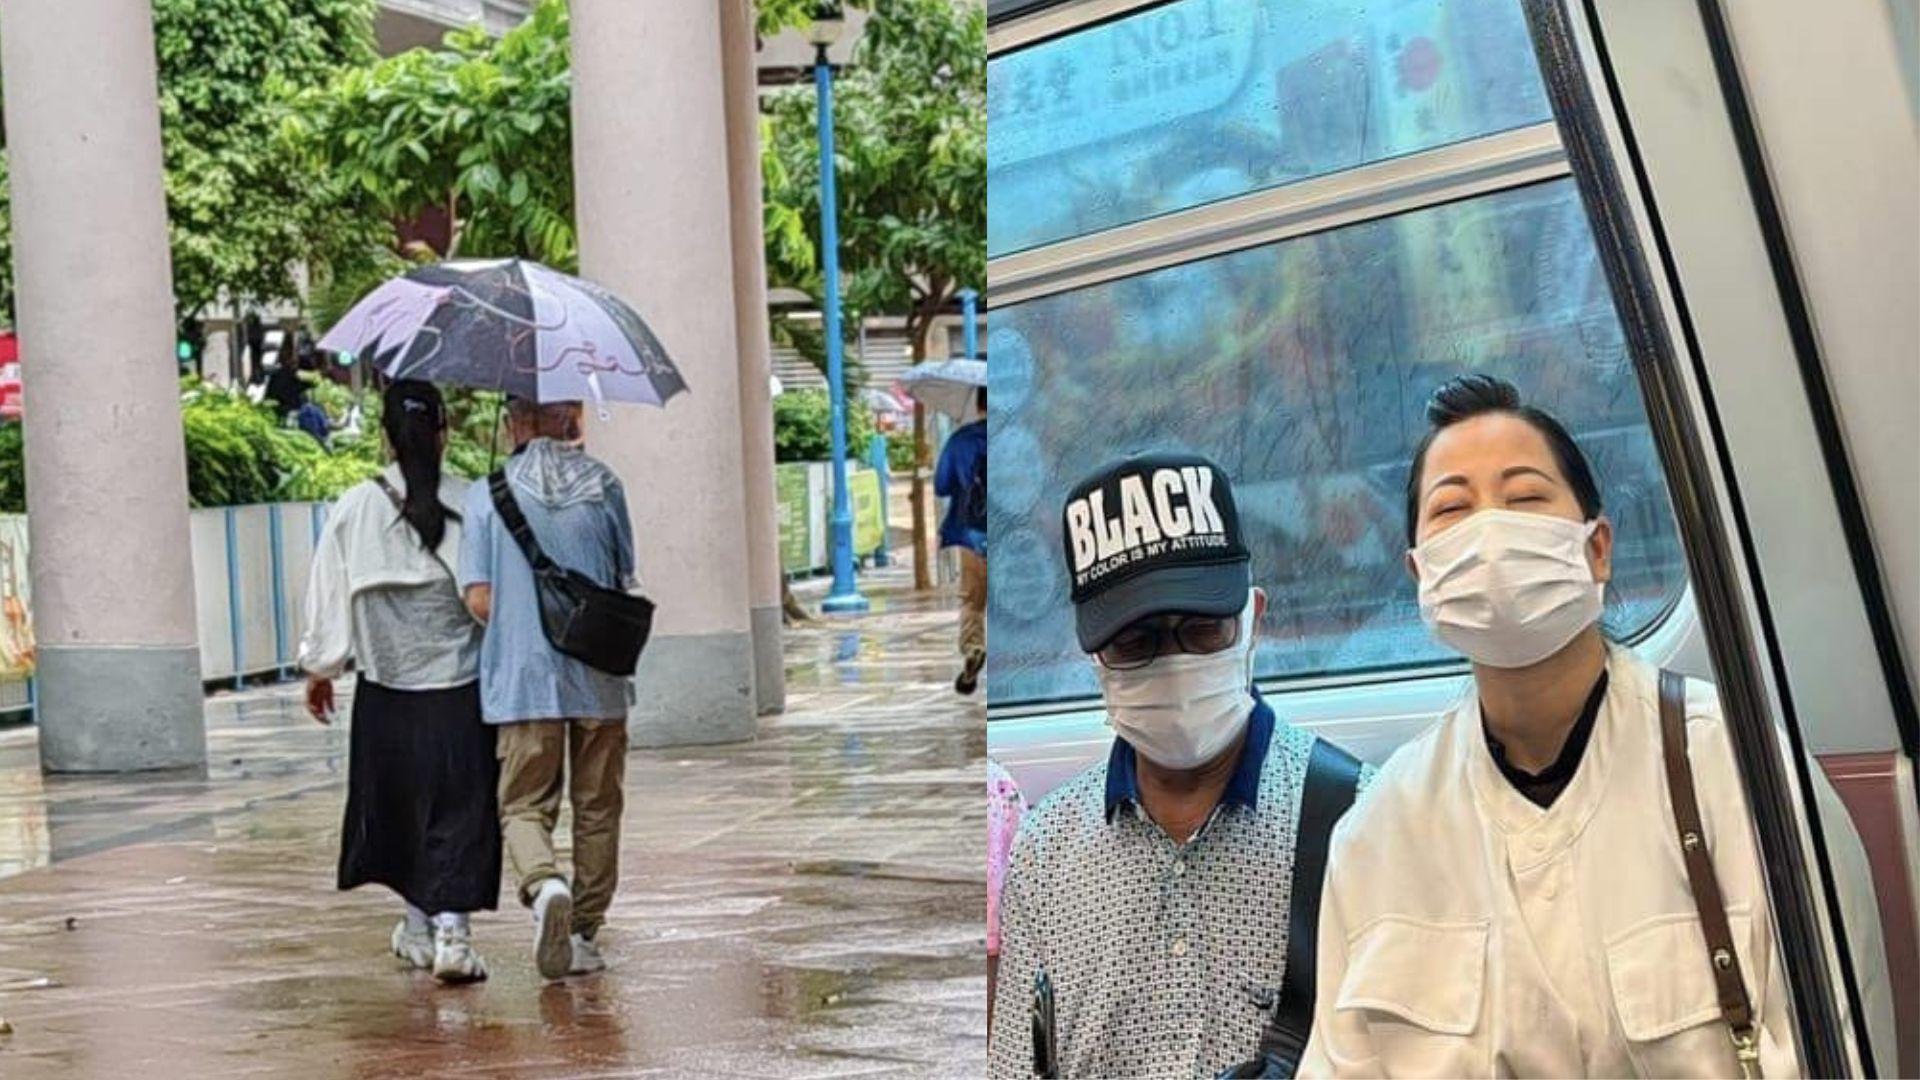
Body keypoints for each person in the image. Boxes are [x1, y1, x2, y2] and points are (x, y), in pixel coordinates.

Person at [1298, 374, 1894, 1078]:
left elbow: (1840, 1053)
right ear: (1421, 573)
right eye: (1453, 508)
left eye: (1524, 499)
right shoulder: (1380, 832)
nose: (1490, 534)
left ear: (1597, 547)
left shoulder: (1745, 779)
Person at [988, 454, 1369, 1078]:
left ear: (1255, 619)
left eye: (1202, 631)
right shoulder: (1047, 849)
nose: (1174, 661)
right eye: (1137, 644)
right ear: (1096, 660)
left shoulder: (1361, 819)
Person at [299, 379, 497, 984]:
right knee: (460, 814)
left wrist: (321, 665)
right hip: (462, 692)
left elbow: (328, 593)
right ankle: (450, 934)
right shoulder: (474, 503)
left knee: (401, 812)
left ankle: (418, 927)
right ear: (446, 433)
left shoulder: (355, 506)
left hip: (386, 696)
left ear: (385, 435)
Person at [459, 397, 639, 981]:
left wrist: (520, 620)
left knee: (522, 805)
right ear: (571, 420)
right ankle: (585, 932)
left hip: (523, 680)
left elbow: (478, 597)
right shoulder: (605, 484)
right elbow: (623, 579)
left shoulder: (486, 494)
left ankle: (544, 884)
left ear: (514, 423)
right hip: (601, 675)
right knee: (598, 806)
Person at [935, 386, 988, 694]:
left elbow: (942, 485)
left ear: (979, 404)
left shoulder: (960, 440)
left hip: (972, 534)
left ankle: (973, 648)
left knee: (972, 600)